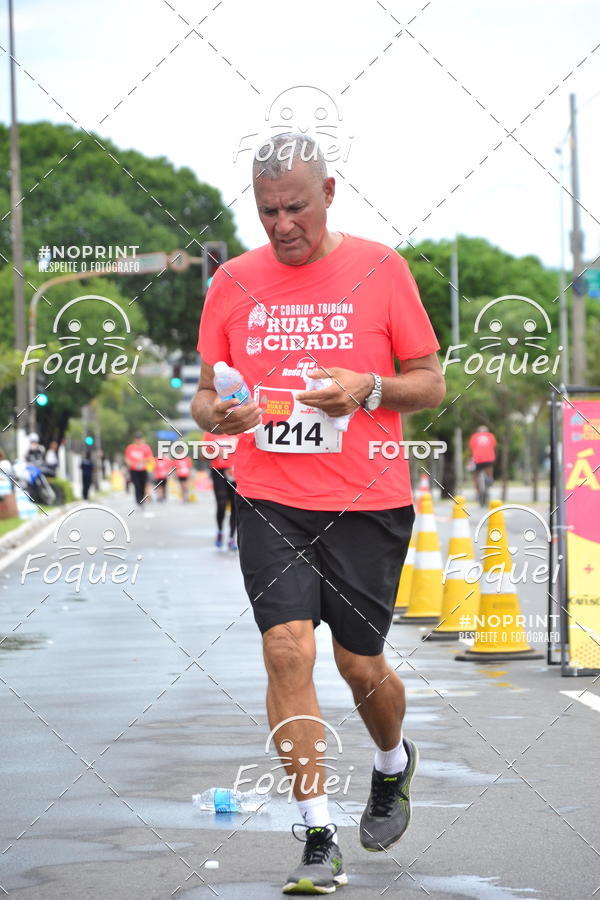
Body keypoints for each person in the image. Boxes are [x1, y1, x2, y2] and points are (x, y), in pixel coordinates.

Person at [192, 133, 445, 894]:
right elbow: (205, 395)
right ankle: (315, 832)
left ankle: (392, 765)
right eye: (267, 210)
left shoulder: (381, 268)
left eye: (295, 207)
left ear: (328, 194)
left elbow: (429, 383)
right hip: (270, 495)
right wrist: (220, 415)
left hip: (368, 498)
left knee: (359, 665)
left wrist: (367, 388)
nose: (281, 224)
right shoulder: (232, 282)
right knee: (287, 650)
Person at [202, 432, 238, 549]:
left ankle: (232, 537)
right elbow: (203, 455)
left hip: (235, 471)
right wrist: (214, 452)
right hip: (218, 471)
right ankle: (220, 531)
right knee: (221, 503)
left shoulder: (237, 430)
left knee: (235, 504)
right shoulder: (210, 433)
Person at [468, 425, 496, 502]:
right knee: (489, 468)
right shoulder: (491, 436)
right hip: (489, 458)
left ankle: (477, 493)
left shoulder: (474, 436)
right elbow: (493, 446)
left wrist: (470, 457)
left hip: (477, 459)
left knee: (475, 476)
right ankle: (490, 479)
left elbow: (470, 448)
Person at [124, 433, 153, 505]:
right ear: (134, 439)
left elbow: (150, 458)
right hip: (134, 470)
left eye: (139, 439)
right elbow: (126, 458)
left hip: (143, 469)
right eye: (137, 439)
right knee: (136, 485)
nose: (138, 441)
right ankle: (138, 499)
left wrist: (142, 460)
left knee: (143, 485)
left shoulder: (146, 447)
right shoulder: (130, 447)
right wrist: (129, 463)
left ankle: (142, 498)